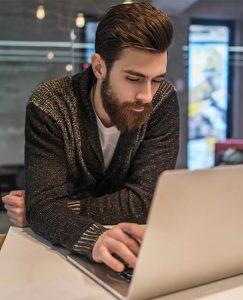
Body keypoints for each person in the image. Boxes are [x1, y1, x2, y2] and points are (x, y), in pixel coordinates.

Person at [1, 2, 179, 273]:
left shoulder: (163, 100)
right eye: (134, 78)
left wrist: (50, 210)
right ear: (99, 67)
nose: (147, 95)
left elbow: (146, 201)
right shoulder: (50, 104)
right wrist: (88, 234)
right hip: (58, 254)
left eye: (156, 79)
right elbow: (45, 206)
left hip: (137, 251)